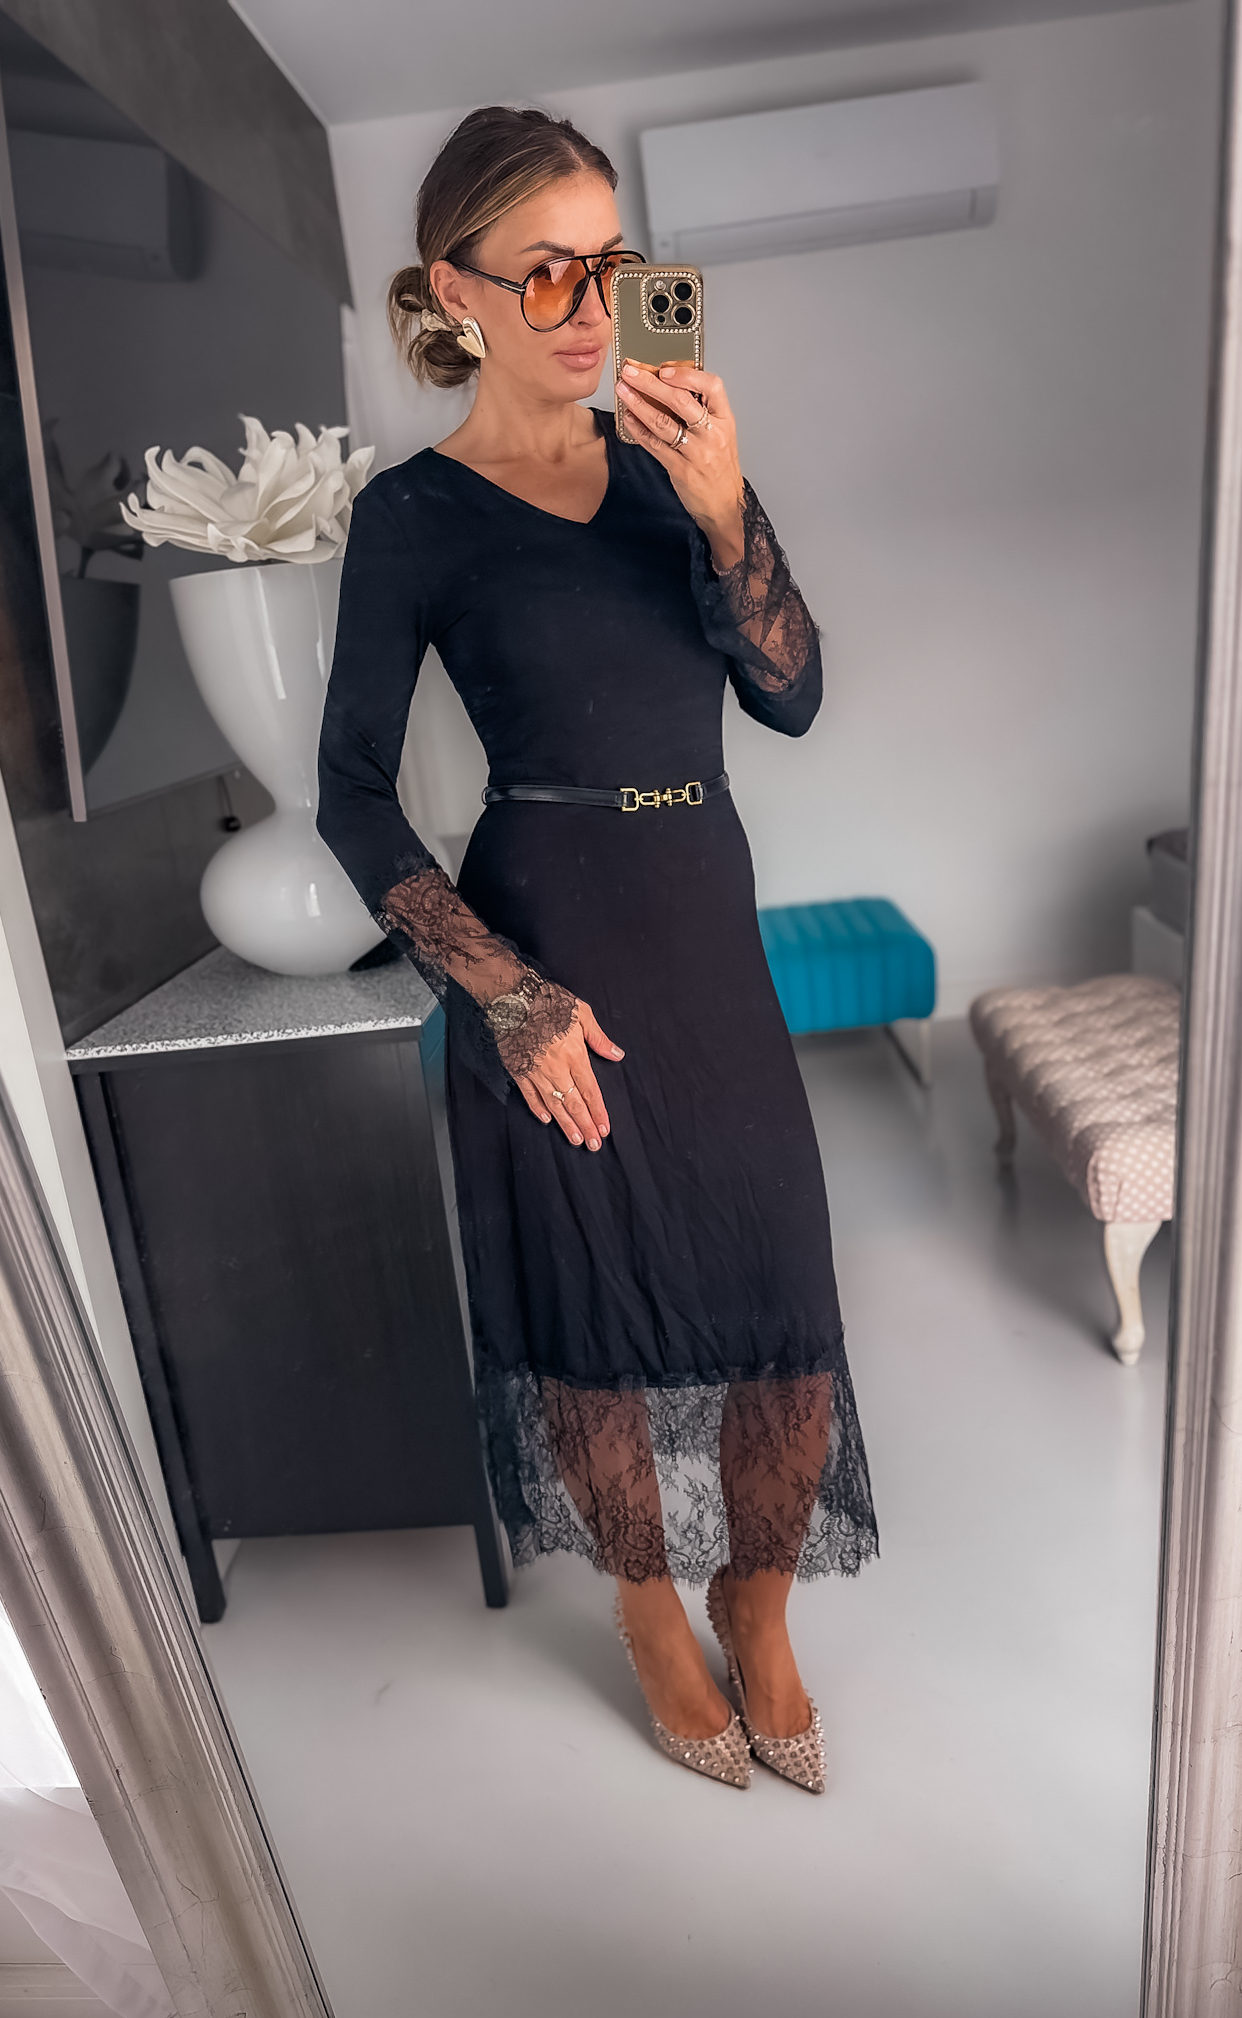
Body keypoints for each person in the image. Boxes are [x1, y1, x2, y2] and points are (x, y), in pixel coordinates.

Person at [317, 105, 876, 1793]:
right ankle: (648, 1615)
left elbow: (793, 695)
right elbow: (351, 795)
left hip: (702, 914)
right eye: (542, 269)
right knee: (591, 1313)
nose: (586, 305)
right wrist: (506, 994)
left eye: (610, 265)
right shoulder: (414, 516)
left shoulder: (673, 473)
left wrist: (723, 508)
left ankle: (757, 1603)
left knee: (779, 1292)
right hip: (542, 924)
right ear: (455, 290)